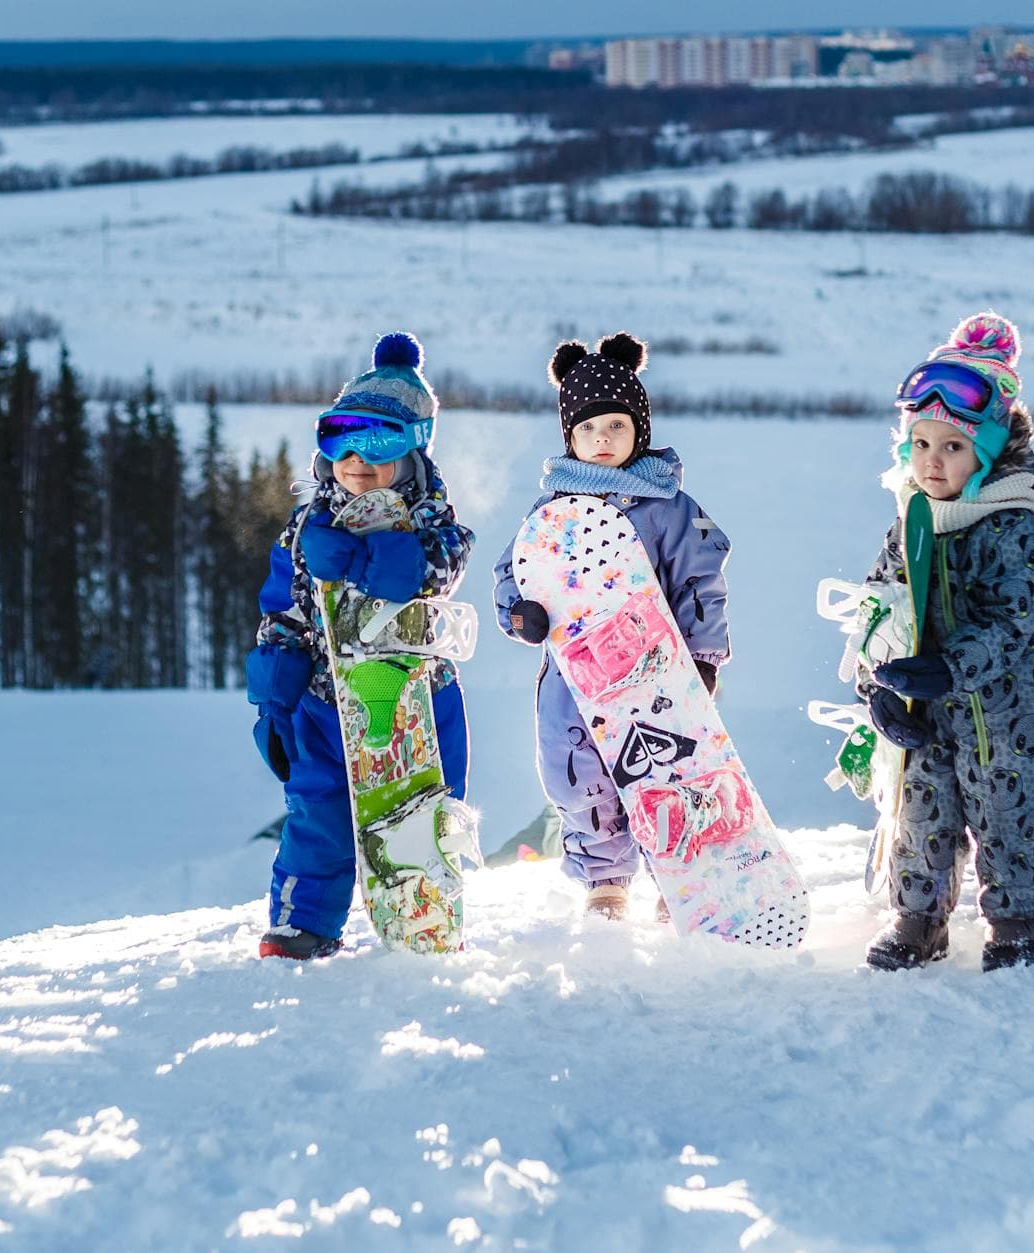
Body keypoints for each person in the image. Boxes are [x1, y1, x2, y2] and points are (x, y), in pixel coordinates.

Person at [245, 332, 474, 959]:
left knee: (415, 812)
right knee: (317, 811)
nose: (357, 458)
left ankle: (421, 917)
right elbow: (284, 606)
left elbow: (436, 572)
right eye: (339, 438)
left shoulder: (432, 520)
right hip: (326, 700)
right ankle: (304, 926)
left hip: (414, 704)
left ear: (414, 450)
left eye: (380, 442)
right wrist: (275, 693)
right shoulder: (307, 524)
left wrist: (366, 557)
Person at [857, 312, 1034, 972]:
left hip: (1011, 710)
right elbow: (879, 617)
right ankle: (918, 919)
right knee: (922, 810)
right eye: (920, 444)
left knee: (1003, 810)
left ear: (990, 448)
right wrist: (880, 690)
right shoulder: (910, 527)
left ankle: (1012, 919)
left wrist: (949, 669)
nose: (932, 461)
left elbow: (1012, 623)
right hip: (930, 707)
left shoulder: (1016, 532)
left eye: (951, 446)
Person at [491, 332, 731, 922]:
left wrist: (702, 656)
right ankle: (605, 878)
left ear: (639, 430)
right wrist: (522, 614)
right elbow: (514, 569)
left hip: (657, 670)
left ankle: (679, 871)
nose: (604, 440)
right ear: (570, 438)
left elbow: (701, 579)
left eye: (617, 427)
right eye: (589, 430)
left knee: (667, 770)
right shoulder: (551, 507)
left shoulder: (670, 506)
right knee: (574, 772)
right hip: (574, 675)